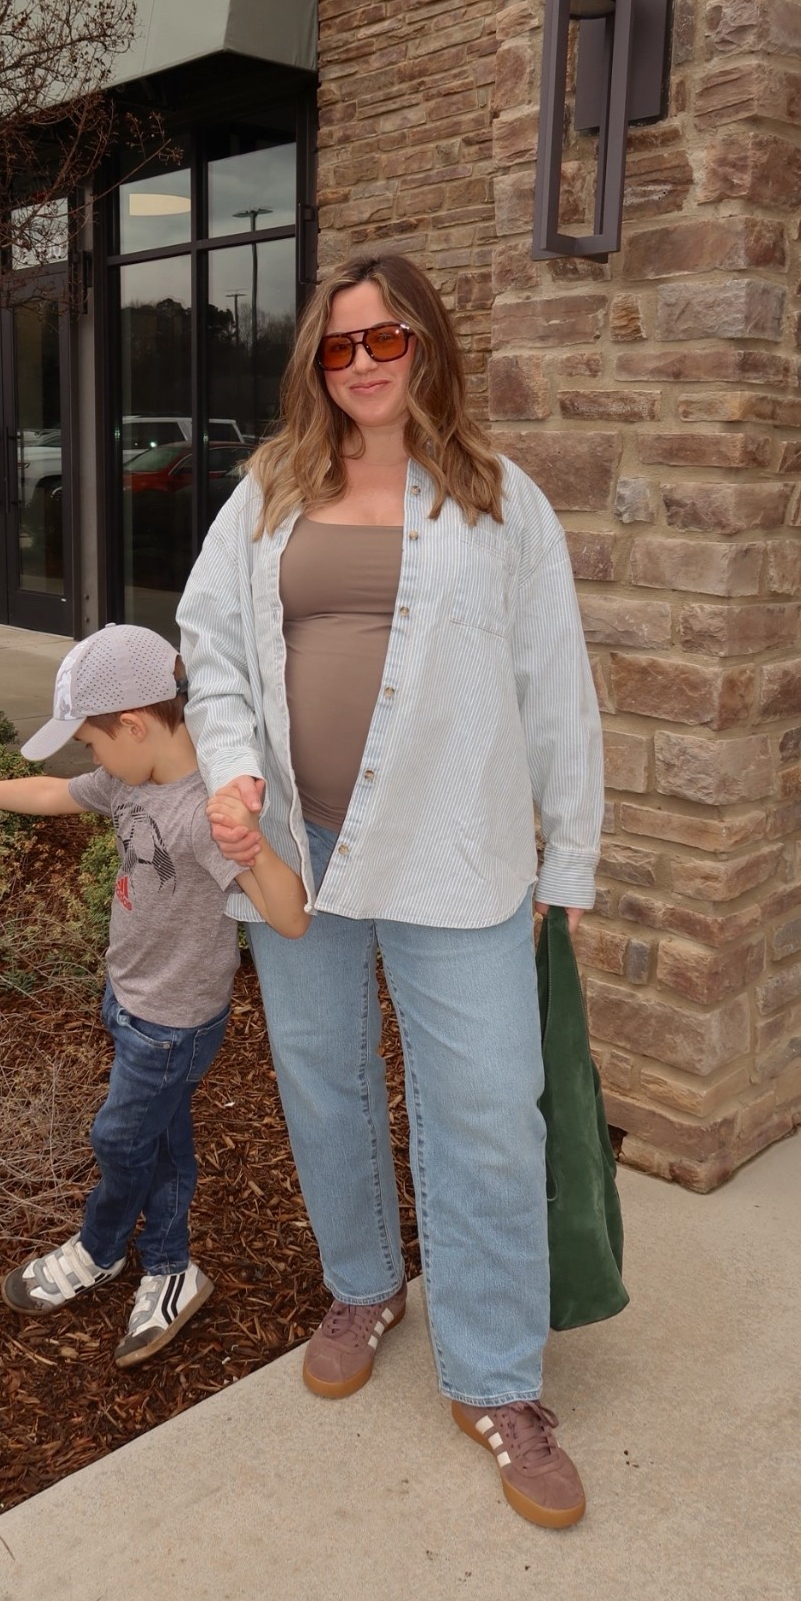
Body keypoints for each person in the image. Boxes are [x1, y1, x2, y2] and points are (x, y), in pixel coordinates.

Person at [178, 251, 603, 1528]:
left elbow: (554, 681)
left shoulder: (500, 499)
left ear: (428, 344)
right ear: (315, 363)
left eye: (386, 339)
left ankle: (498, 1377)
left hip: (454, 851)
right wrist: (234, 767)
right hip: (299, 851)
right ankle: (364, 1284)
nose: (361, 364)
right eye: (338, 345)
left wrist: (568, 857)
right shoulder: (270, 487)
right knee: (323, 1076)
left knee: (487, 1109)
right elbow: (212, 645)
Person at [0, 623, 308, 1368]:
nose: (90, 758)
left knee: (119, 1140)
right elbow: (51, 791)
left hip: (173, 1024)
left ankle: (99, 1247)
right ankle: (169, 1267)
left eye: (90, 742)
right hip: (129, 999)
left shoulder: (206, 812)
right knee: (159, 1137)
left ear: (132, 725)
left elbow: (288, 918)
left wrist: (251, 844)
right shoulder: (132, 780)